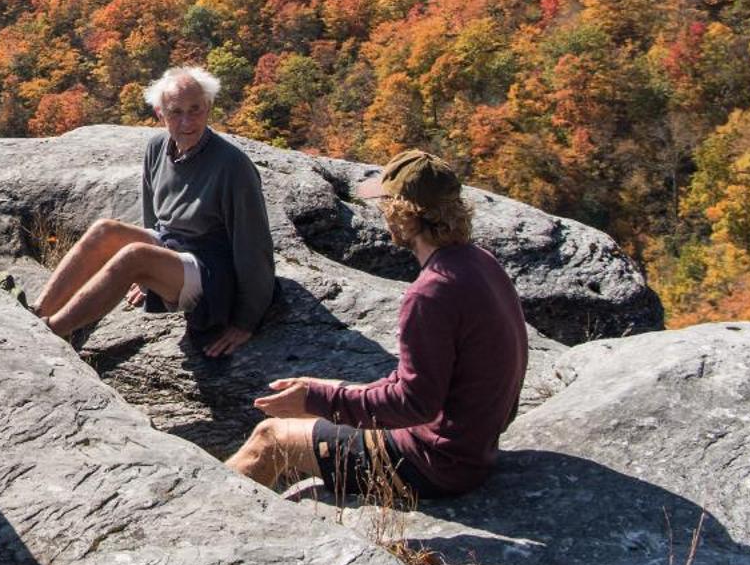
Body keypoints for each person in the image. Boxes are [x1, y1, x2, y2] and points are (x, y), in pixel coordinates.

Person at [226, 149, 528, 501]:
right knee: (320, 399)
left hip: (433, 463)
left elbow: (415, 405)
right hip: (470, 446)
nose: (383, 214)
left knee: (271, 438)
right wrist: (323, 391)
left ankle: (214, 526)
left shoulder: (431, 293)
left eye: (387, 204)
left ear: (405, 213)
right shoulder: (481, 262)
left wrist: (317, 400)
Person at [32, 65, 275, 357]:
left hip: (213, 272)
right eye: (176, 112)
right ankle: (35, 314)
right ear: (160, 114)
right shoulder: (158, 147)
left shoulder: (232, 166)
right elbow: (153, 220)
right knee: (104, 231)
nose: (187, 121)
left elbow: (254, 247)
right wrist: (151, 278)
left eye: (195, 109)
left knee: (135, 255)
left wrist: (246, 321)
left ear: (209, 107)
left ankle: (51, 332)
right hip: (174, 250)